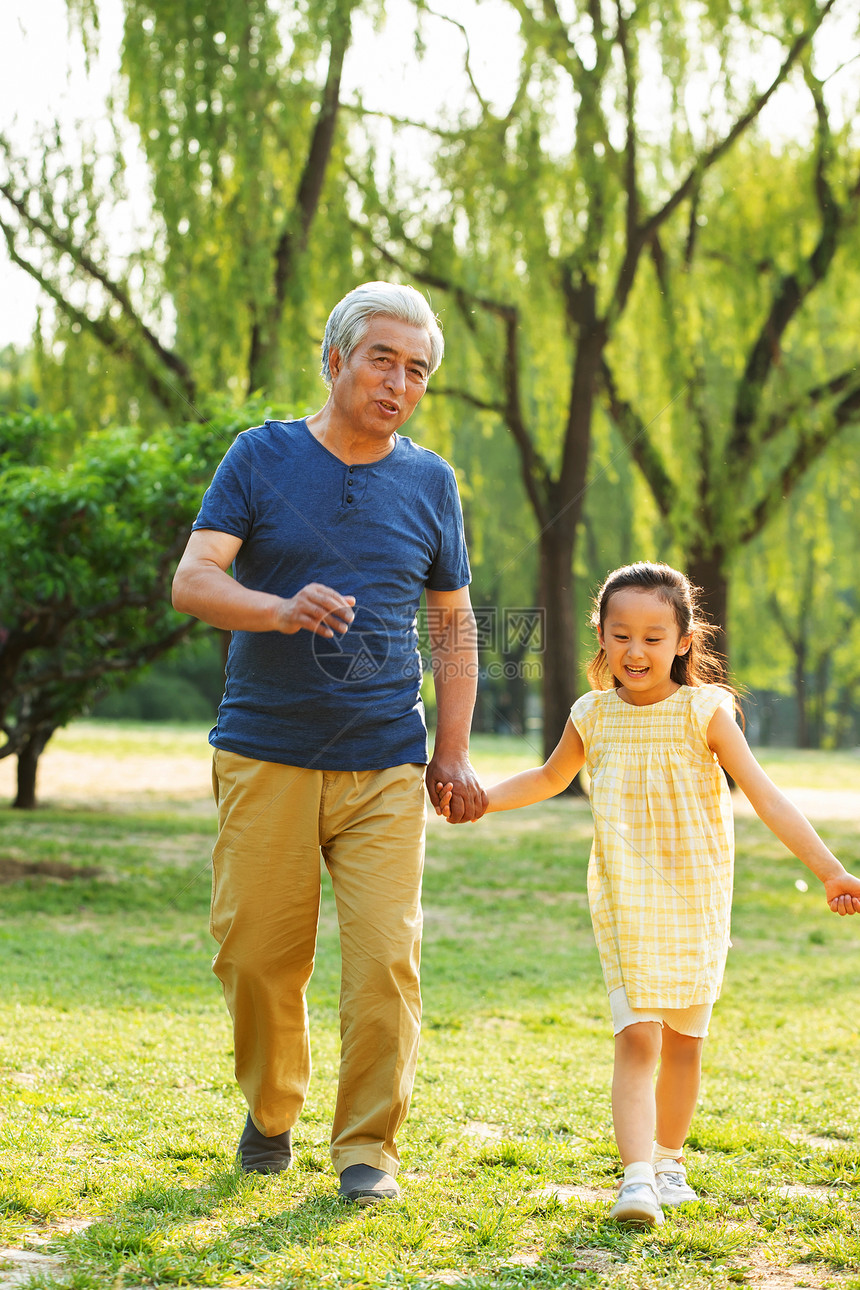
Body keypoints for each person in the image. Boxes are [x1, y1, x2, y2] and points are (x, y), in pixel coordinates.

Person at [172, 281, 486, 1206]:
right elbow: (193, 581)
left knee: (387, 957)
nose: (400, 381)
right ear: (337, 358)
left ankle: (368, 1151)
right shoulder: (260, 457)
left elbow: (457, 628)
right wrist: (277, 609)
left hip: (387, 759)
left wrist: (454, 750)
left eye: (418, 369)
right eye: (384, 358)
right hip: (266, 750)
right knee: (258, 957)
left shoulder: (431, 482)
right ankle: (272, 1112)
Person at [437, 561, 860, 1227]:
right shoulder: (591, 715)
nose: (636, 651)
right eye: (622, 634)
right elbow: (550, 779)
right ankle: (636, 1180)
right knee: (637, 1035)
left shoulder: (707, 712)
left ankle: (668, 1159)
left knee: (685, 1042)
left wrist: (831, 869)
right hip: (625, 895)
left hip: (695, 895)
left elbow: (765, 795)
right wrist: (480, 800)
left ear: (684, 641)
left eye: (654, 637)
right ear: (601, 637)